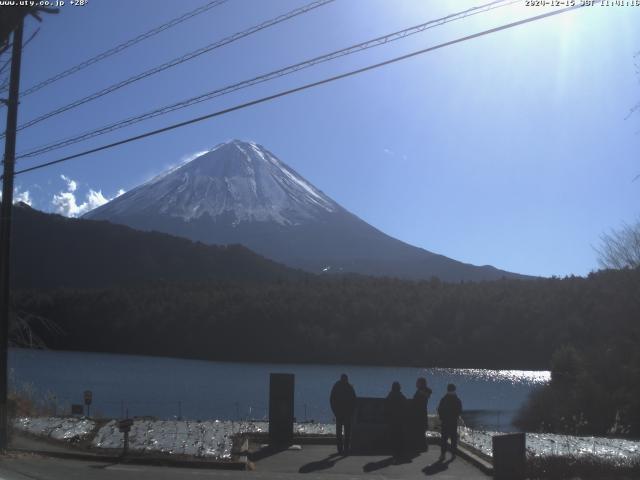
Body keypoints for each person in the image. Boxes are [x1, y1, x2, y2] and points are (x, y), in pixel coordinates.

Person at [329, 373, 356, 455]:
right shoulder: (350, 387)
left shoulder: (336, 387)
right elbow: (354, 400)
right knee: (347, 431)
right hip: (347, 413)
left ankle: (340, 449)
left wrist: (334, 411)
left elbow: (332, 399)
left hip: (339, 413)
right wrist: (352, 411)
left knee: (339, 432)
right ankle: (346, 449)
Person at [437, 383, 463, 460]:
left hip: (445, 421)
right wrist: (456, 416)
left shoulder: (443, 399)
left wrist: (442, 418)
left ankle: (443, 454)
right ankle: (453, 454)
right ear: (454, 390)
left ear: (447, 389)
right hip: (453, 421)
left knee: (444, 438)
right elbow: (459, 410)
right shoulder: (457, 399)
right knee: (453, 438)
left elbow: (439, 409)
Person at [384, 381, 407, 460]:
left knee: (393, 436)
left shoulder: (390, 396)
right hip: (400, 420)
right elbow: (405, 406)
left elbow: (386, 406)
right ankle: (400, 452)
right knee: (400, 435)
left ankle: (395, 452)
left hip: (392, 419)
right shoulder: (401, 396)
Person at [412, 377, 432, 451]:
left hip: (421, 413)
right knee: (420, 430)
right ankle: (422, 446)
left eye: (417, 382)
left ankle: (422, 447)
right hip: (420, 413)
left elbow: (428, 393)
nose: (416, 384)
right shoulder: (420, 391)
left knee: (420, 430)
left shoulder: (424, 391)